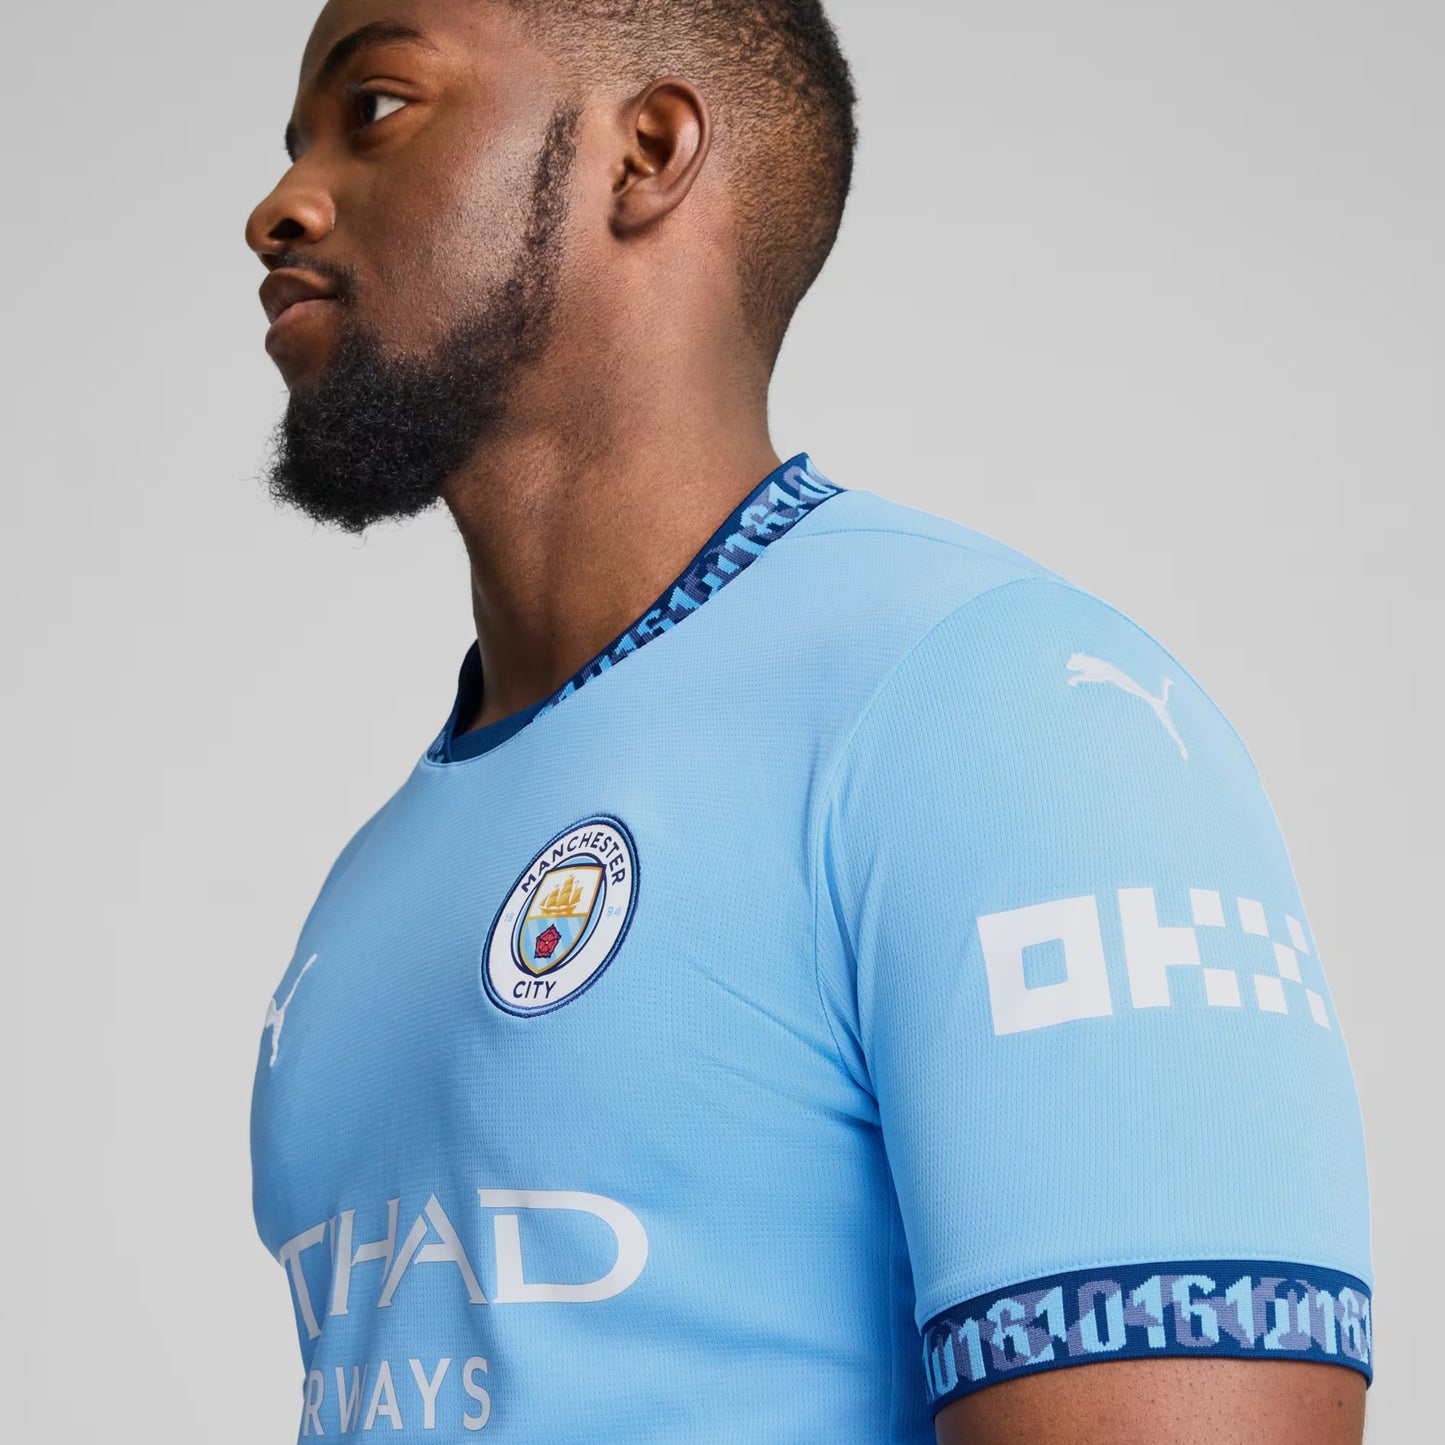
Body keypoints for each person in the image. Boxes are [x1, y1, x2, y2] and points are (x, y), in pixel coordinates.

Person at [245, 2, 1373, 1440]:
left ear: (644, 152)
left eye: (378, 109)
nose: (278, 205)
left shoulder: (1011, 716)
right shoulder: (377, 874)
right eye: (294, 144)